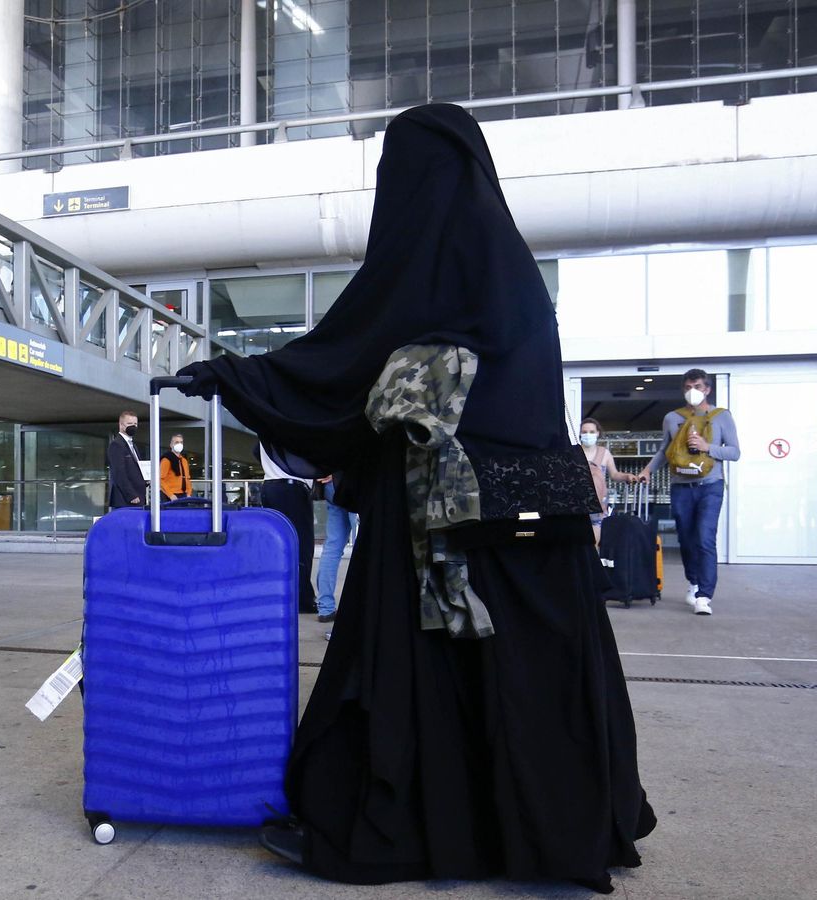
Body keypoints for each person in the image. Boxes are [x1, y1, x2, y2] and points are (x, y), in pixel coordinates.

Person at [171, 104, 653, 892]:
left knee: (414, 668)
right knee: (527, 679)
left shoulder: (421, 267)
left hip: (439, 520)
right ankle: (549, 831)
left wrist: (233, 375)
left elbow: (342, 362)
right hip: (536, 526)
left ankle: (406, 828)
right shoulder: (515, 273)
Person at [636, 369, 740, 616]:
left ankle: (704, 595)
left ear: (708, 389)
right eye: (688, 386)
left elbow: (735, 452)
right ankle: (693, 581)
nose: (693, 391)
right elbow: (665, 450)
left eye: (698, 386)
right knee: (686, 537)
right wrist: (648, 470)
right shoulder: (672, 418)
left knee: (705, 537)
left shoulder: (721, 416)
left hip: (710, 486)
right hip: (681, 485)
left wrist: (708, 447)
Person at [259, 441, 317, 615]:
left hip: (269, 484)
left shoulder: (267, 424)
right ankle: (302, 598)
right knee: (301, 544)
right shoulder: (292, 424)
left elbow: (256, 450)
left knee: (276, 547)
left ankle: (277, 593)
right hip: (292, 486)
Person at [580, 417, 638, 546]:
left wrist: (626, 476)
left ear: (597, 433)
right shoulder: (575, 452)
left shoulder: (604, 453)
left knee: (594, 540)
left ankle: (593, 563)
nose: (587, 435)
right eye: (584, 431)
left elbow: (614, 474)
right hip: (577, 503)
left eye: (591, 431)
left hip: (598, 503)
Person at [313, 472, 357, 625]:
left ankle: (325, 608)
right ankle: (360, 607)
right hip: (353, 483)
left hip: (331, 486)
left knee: (332, 547)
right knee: (363, 547)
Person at [105, 411, 147, 510]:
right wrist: (131, 495)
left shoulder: (133, 445)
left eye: (135, 424)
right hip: (126, 499)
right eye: (129, 424)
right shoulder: (116, 445)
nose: (133, 426)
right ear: (121, 425)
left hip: (138, 497)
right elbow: (119, 473)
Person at [159, 433, 192, 500]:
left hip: (183, 494)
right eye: (176, 442)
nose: (179, 444)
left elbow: (187, 478)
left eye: (181, 442)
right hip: (170, 495)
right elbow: (160, 479)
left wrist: (188, 493)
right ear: (171, 445)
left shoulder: (184, 460)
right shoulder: (166, 460)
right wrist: (170, 495)